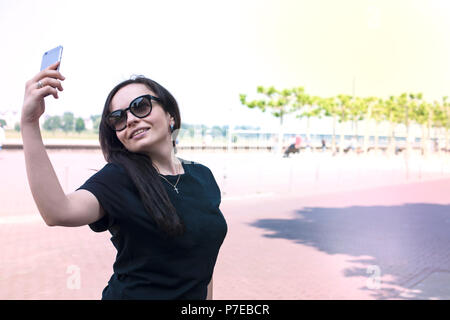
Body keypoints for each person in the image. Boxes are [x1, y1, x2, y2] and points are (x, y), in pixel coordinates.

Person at [21, 61, 228, 300]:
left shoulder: (203, 176)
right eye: (118, 118)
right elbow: (59, 212)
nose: (130, 119)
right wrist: (29, 123)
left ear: (171, 115)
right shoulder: (118, 178)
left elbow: (203, 263)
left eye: (141, 106)